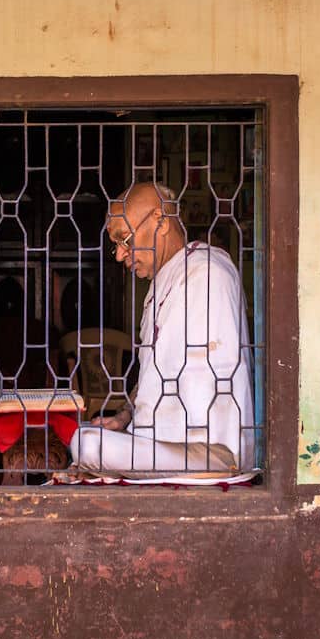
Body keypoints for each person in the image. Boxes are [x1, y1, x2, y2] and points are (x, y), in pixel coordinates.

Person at [65, 182, 255, 478]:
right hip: (167, 446)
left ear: (160, 221)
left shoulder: (207, 273)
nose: (118, 254)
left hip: (212, 450)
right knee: (86, 437)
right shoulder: (163, 283)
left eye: (124, 239)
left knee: (89, 446)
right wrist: (125, 417)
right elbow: (158, 372)